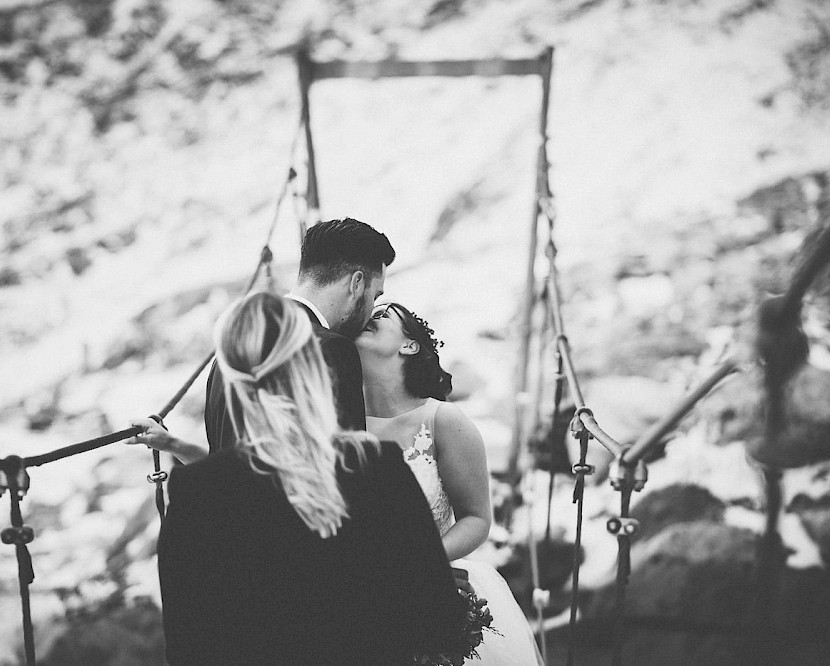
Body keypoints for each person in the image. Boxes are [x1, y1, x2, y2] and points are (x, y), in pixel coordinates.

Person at [136, 293, 466, 664]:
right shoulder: (377, 465)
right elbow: (438, 620)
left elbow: (188, 647)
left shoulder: (199, 492)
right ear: (310, 364)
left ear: (228, 375)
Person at [356, 302, 546, 666]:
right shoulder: (339, 419)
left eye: (382, 315)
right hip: (364, 598)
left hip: (435, 589)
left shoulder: (443, 420)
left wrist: (421, 566)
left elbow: (476, 518)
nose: (369, 317)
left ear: (409, 345)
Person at [203, 217, 395, 453]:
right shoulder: (332, 350)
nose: (371, 312)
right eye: (375, 296)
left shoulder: (229, 351)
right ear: (356, 284)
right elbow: (349, 470)